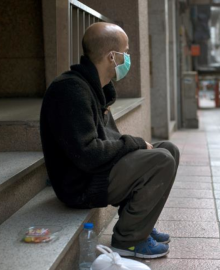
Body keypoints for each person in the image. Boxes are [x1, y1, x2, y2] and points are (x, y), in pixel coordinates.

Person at [40, 22, 179, 259]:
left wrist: (135, 147)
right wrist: (134, 144)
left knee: (168, 149)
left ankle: (140, 224)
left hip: (96, 171)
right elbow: (88, 154)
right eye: (126, 52)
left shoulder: (96, 88)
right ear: (112, 57)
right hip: (79, 184)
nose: (128, 58)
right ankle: (130, 240)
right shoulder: (71, 91)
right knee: (160, 160)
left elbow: (110, 141)